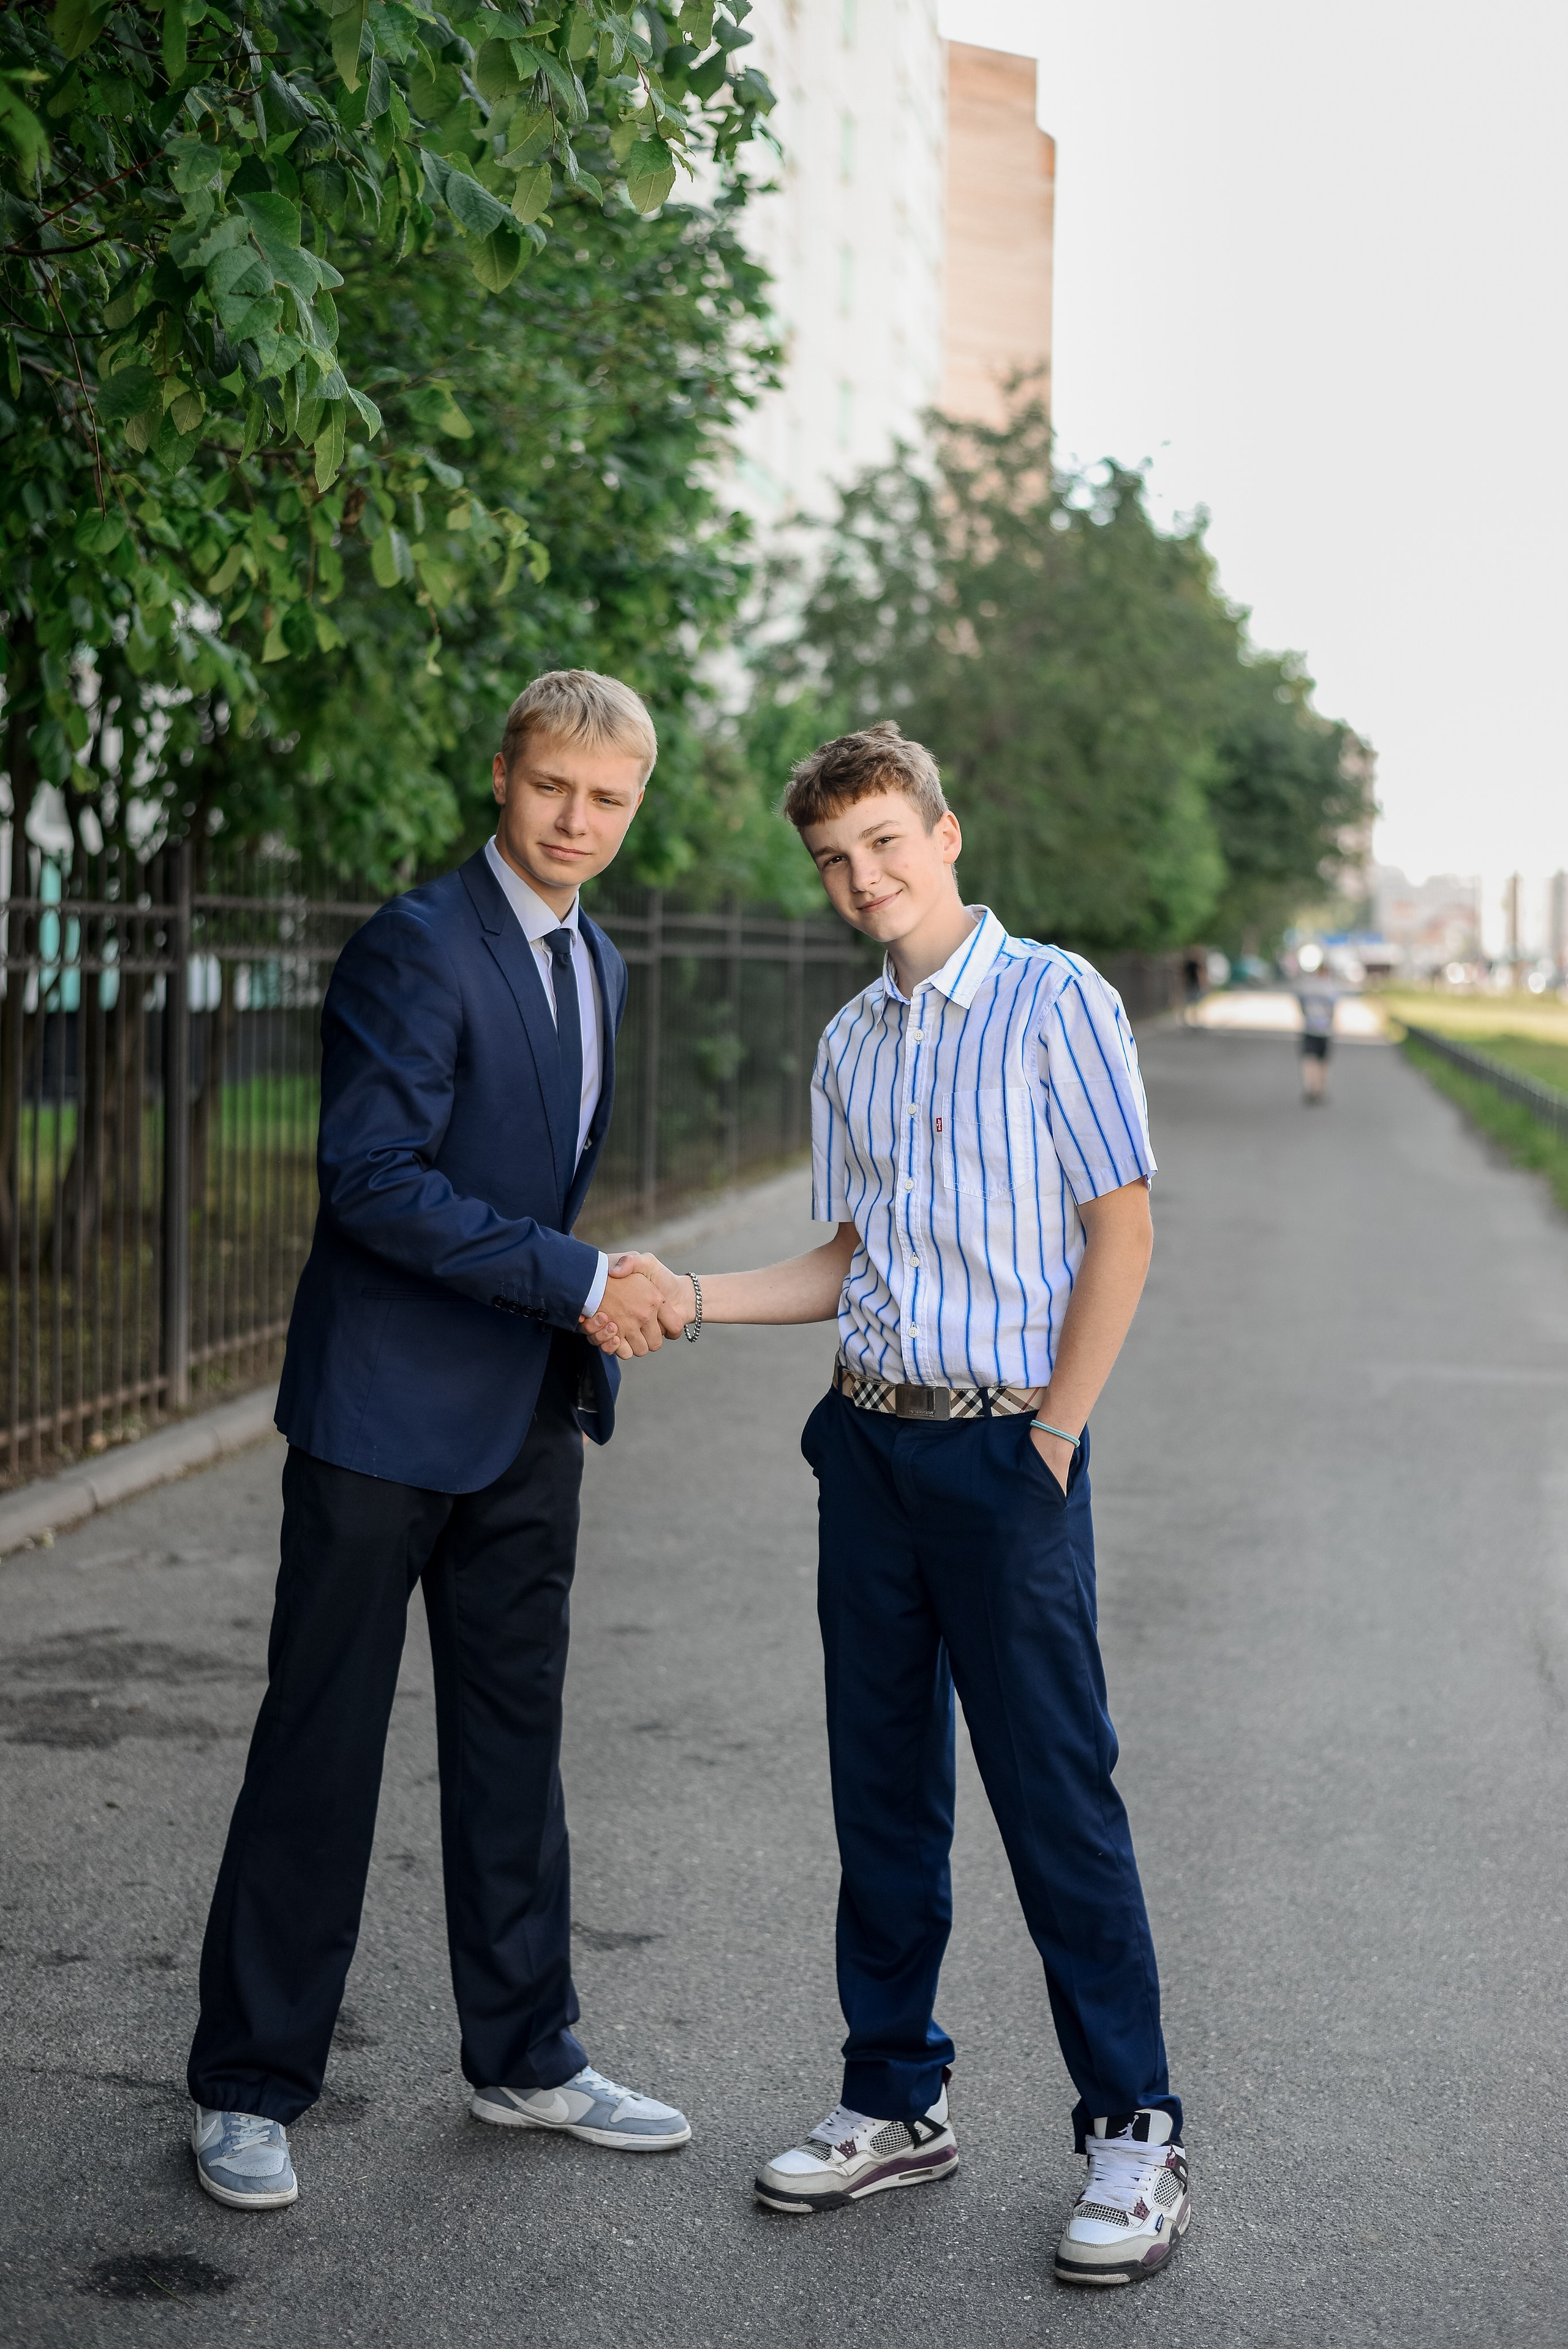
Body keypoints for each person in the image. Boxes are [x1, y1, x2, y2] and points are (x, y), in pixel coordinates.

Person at [615, 723, 1189, 2288]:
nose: (858, 875)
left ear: (942, 831)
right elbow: (848, 1259)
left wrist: (1054, 1437)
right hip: (863, 1450)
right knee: (882, 1795)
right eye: (831, 857)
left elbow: (1119, 1230)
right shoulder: (849, 1043)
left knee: (1054, 1795)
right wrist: (690, 1296)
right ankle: (892, 2095)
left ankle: (1131, 2130)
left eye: (881, 839)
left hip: (1005, 1457)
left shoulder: (1056, 998)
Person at [184, 671, 688, 2212]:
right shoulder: (416, 942)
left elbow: (530, 1179)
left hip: (526, 1416)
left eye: (608, 798)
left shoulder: (599, 957)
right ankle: (249, 2083)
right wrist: (583, 1279)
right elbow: (374, 1180)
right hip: (381, 1417)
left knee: (512, 1746)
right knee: (321, 1747)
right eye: (554, 788)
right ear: (503, 774)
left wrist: (573, 1301)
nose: (577, 820)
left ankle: (526, 2053)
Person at [1295, 957, 1340, 1103]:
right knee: (1323, 1061)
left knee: (1309, 1060)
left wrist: (1306, 1016)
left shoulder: (1307, 987)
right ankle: (1320, 1090)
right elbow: (1333, 1009)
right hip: (1324, 1030)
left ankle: (1310, 1088)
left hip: (1309, 1028)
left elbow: (1300, 1002)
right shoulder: (1331, 988)